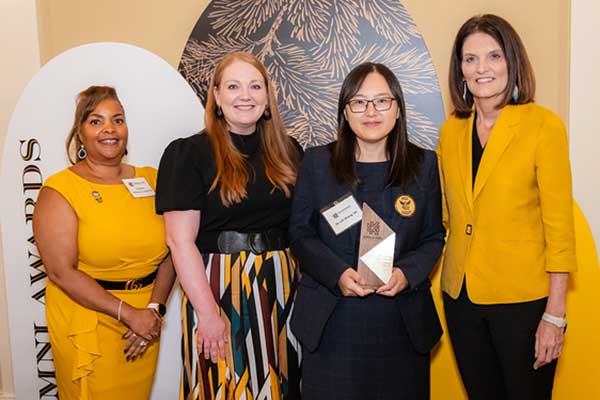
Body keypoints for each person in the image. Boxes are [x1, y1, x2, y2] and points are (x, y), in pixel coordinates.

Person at [438, 14, 576, 400]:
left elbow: (559, 229)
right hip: (460, 297)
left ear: (512, 62)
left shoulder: (542, 126)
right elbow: (445, 216)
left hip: (524, 304)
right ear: (460, 70)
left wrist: (555, 314)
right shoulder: (451, 131)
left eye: (494, 56)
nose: (481, 68)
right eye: (470, 59)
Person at [289, 62, 445, 399]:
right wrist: (337, 273)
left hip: (401, 323)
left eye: (381, 101)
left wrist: (407, 272)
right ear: (345, 111)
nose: (370, 111)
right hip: (332, 322)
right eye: (359, 102)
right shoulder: (317, 163)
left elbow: (434, 236)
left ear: (398, 108)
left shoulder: (424, 165)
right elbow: (300, 234)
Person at [155, 52, 302, 400]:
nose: (245, 95)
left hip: (281, 288)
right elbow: (179, 242)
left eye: (255, 86)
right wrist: (207, 313)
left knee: (279, 387)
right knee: (222, 386)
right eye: (233, 86)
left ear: (267, 98)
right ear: (217, 97)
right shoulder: (187, 154)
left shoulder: (289, 152)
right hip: (218, 288)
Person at [32, 86, 176, 399]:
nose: (109, 128)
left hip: (145, 320)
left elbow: (174, 249)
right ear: (80, 134)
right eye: (96, 121)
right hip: (89, 322)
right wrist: (129, 314)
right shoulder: (60, 190)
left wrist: (153, 309)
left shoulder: (153, 180)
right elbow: (61, 272)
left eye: (117, 120)